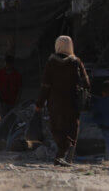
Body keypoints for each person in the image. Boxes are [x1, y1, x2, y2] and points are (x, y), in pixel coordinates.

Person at [36, 35, 90, 167]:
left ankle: (61, 156)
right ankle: (65, 156)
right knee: (72, 128)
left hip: (55, 103)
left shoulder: (51, 62)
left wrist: (39, 103)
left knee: (57, 129)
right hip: (73, 102)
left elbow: (45, 85)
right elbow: (86, 83)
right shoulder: (76, 62)